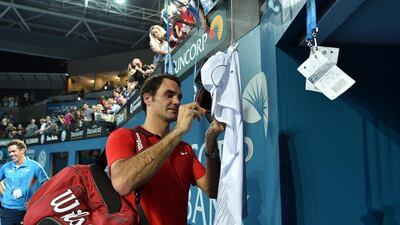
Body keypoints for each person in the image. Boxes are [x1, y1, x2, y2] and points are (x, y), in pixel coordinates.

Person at [106, 74, 223, 225]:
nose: (176, 101)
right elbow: (122, 183)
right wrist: (178, 131)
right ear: (147, 98)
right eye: (169, 95)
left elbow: (212, 190)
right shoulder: (123, 136)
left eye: (179, 97)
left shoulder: (184, 149)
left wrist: (211, 141)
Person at [0, 139, 49, 225]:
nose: (11, 154)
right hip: (8, 211)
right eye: (9, 152)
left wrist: (36, 199)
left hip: (28, 210)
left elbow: (47, 184)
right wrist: (4, 194)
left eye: (13, 151)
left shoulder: (35, 166)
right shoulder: (6, 167)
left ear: (22, 150)